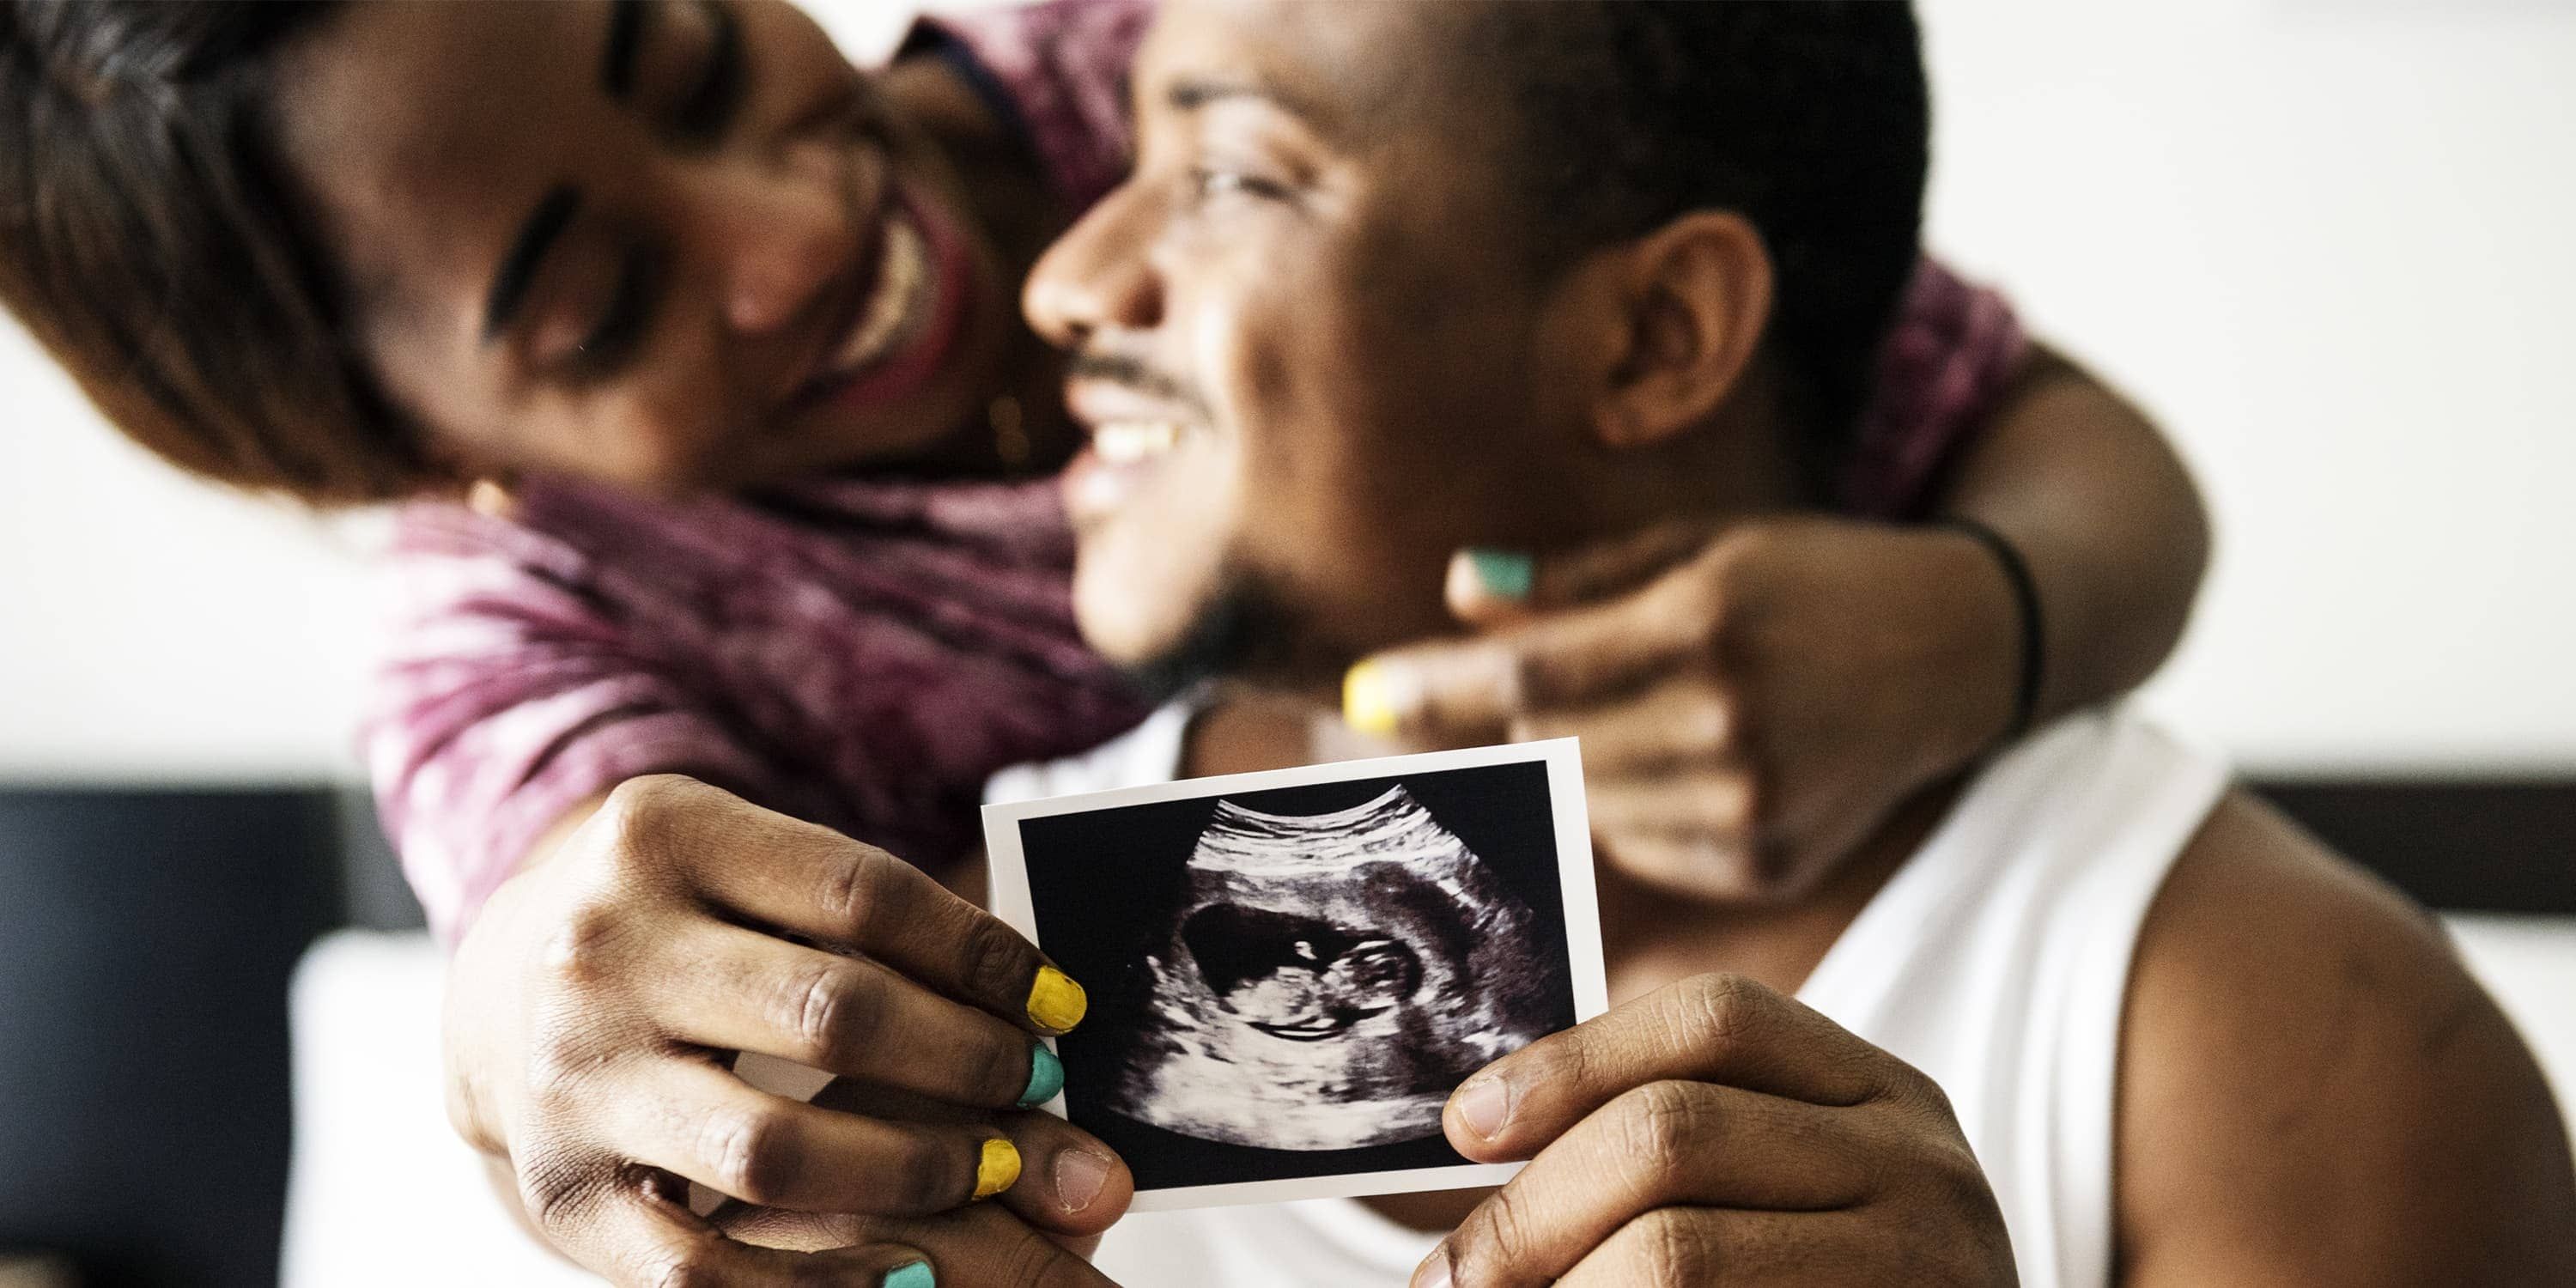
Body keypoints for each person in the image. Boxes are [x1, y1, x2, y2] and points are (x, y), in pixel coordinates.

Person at [2, 2, 2207, 1283]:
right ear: (436, 459)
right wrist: (510, 1017)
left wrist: (1979, 620)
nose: (796, 229)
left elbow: (1996, 406)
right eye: (600, 312)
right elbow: (589, 947)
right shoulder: (529, 638)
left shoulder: (1158, 58)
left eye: (686, 61)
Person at [921, 0, 2564, 1283]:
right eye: (1118, 171)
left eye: (1227, 176)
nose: (1069, 283)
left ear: (1655, 335)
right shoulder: (923, 968)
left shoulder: (2283, 1040)